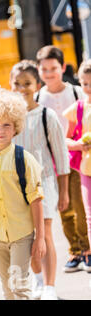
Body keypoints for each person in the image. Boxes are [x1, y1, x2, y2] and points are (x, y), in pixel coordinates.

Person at [0, 85, 46, 300]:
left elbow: (36, 200)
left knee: (19, 287)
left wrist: (40, 238)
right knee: (7, 289)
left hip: (21, 234)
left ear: (16, 127)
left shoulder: (24, 159)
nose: (0, 130)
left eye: (6, 125)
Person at [10, 60, 70, 300]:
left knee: (44, 233)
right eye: (17, 83)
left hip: (44, 184)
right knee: (25, 237)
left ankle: (50, 286)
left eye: (27, 83)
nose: (22, 88)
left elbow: (61, 157)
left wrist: (64, 192)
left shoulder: (47, 116)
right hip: (16, 187)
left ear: (37, 85)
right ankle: (35, 281)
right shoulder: (9, 119)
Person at [36, 45, 89, 272]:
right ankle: (75, 251)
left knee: (79, 205)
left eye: (54, 68)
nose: (49, 73)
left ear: (63, 68)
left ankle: (87, 249)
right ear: (39, 70)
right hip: (50, 161)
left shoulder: (77, 92)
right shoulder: (39, 97)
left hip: (75, 158)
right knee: (63, 207)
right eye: (44, 69)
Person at [63, 59, 91, 273]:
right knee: (89, 213)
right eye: (85, 84)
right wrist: (79, 145)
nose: (89, 89)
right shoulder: (78, 109)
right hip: (86, 169)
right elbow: (66, 139)